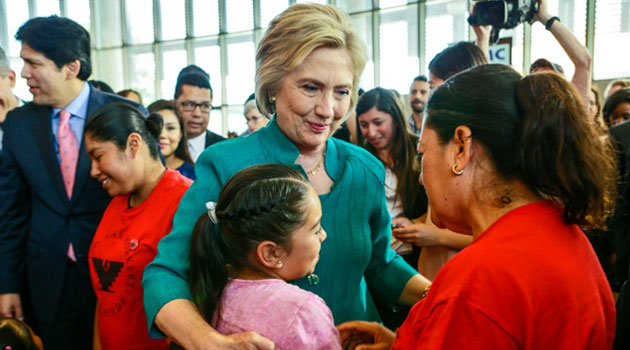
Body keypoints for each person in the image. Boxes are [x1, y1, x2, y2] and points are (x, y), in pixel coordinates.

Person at [143, 4, 430, 350]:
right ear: (272, 85)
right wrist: (208, 341)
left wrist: (446, 295)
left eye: (341, 91)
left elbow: (381, 265)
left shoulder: (365, 169)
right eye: (310, 87)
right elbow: (167, 275)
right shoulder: (225, 163)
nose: (327, 110)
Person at [338, 64, 617, 349]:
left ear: (461, 147)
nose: (421, 178)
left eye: (424, 154)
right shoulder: (567, 237)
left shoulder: (479, 283)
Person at [0, 16, 146, 350]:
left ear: (71, 67)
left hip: (118, 275)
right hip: (47, 278)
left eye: (33, 63)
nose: (23, 74)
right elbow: (10, 213)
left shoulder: (125, 114)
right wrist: (7, 284)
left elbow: (148, 199)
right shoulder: (18, 125)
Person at [189, 164, 339, 349]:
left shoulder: (214, 287)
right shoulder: (302, 311)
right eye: (316, 229)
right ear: (271, 253)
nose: (323, 235)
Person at [84, 103, 191, 350]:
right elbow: (106, 295)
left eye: (98, 156)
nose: (93, 170)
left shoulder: (184, 201)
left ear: (133, 144)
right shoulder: (116, 202)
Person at [530, 0, 592, 105]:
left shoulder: (573, 114)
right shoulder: (520, 118)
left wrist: (545, 17)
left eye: (552, 81)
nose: (545, 88)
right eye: (538, 82)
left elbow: (584, 61)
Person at [174, 65, 224, 161]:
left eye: (205, 106)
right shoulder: (163, 148)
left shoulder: (224, 148)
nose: (197, 114)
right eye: (189, 105)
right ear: (174, 103)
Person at [148, 99, 195, 180]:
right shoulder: (136, 174)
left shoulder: (193, 174)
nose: (162, 135)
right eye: (155, 127)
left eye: (170, 128)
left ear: (181, 134)